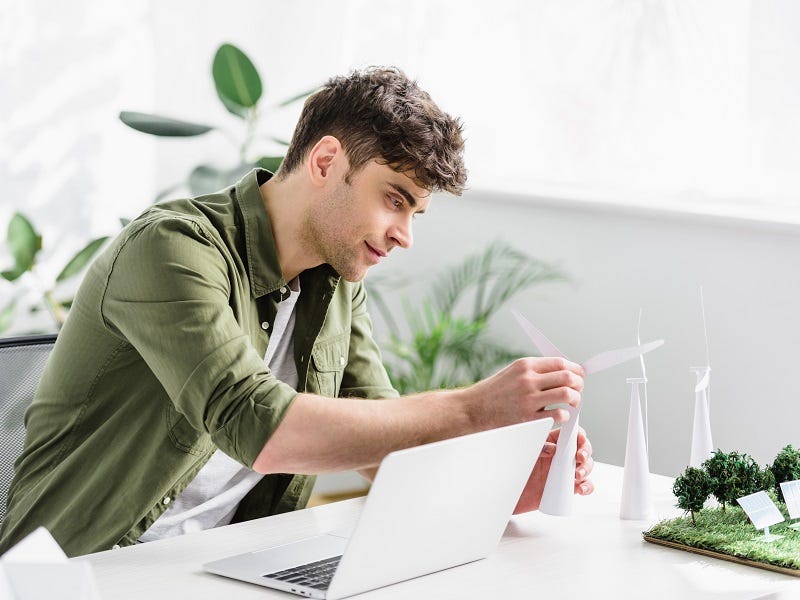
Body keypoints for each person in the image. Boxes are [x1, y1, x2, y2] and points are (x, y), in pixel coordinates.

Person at [0, 67, 593, 558]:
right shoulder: (170, 249)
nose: (404, 234)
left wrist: (508, 483)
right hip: (81, 572)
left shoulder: (335, 283)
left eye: (415, 213)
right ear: (326, 160)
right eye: (394, 200)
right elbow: (258, 426)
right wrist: (472, 407)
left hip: (215, 566)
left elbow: (384, 444)